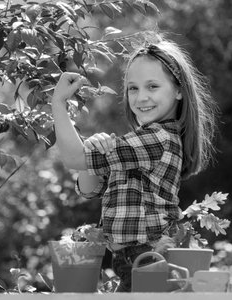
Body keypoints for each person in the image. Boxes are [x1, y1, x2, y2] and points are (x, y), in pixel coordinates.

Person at [51, 34, 217, 292]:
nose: (141, 97)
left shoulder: (157, 139)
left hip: (147, 258)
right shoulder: (139, 143)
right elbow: (89, 189)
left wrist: (59, 104)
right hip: (135, 260)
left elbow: (74, 158)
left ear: (178, 90)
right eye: (133, 88)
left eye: (153, 86)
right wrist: (93, 146)